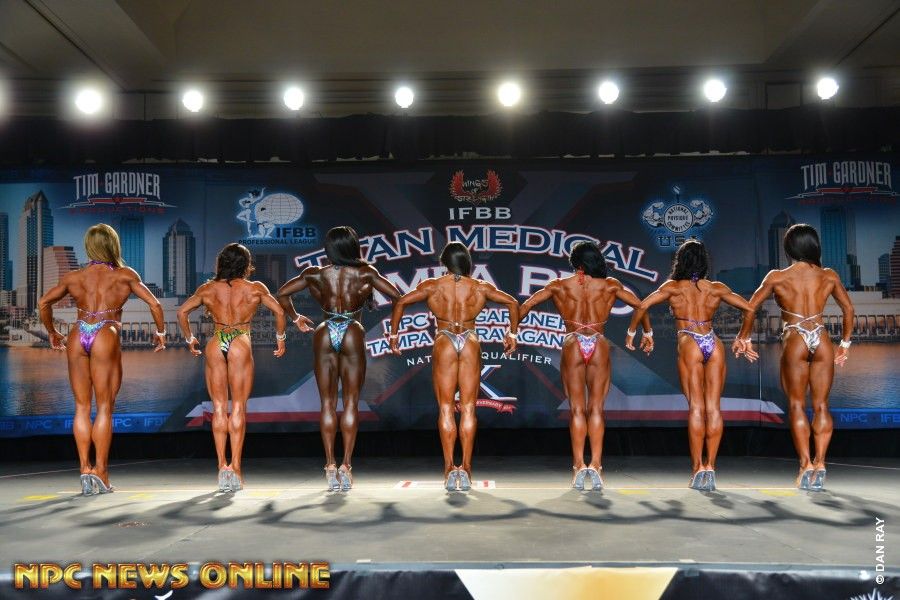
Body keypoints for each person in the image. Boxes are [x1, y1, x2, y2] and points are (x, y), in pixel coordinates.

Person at [38, 223, 167, 496]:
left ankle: (84, 470)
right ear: (113, 246)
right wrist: (160, 333)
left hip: (78, 333)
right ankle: (101, 472)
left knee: (81, 407)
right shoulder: (125, 275)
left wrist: (51, 331)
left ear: (89, 247)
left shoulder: (74, 277)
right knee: (105, 407)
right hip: (106, 332)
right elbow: (155, 304)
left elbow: (43, 303)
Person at [519, 241, 653, 491]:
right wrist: (646, 333)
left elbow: (525, 306)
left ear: (576, 263)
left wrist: (512, 333)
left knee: (577, 410)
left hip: (573, 343)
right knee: (597, 409)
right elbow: (641, 305)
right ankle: (597, 466)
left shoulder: (559, 285)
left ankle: (579, 466)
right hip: (598, 342)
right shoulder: (610, 285)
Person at [277, 226, 401, 491]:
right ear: (353, 247)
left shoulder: (315, 274)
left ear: (329, 249)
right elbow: (397, 297)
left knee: (327, 403)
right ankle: (346, 465)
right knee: (351, 402)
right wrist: (393, 332)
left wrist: (295, 318)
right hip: (352, 330)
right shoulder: (365, 272)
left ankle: (330, 465)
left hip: (325, 330)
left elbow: (283, 294)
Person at [388, 242, 519, 491]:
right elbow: (512, 303)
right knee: (468, 408)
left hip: (444, 339)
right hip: (469, 339)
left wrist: (394, 336)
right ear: (466, 262)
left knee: (446, 408)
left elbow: (402, 302)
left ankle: (449, 468)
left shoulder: (433, 286)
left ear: (444, 263)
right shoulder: (479, 287)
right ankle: (466, 469)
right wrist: (512, 334)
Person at [625, 239, 754, 491]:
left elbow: (642, 305)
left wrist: (636, 333)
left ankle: (697, 470)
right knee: (713, 408)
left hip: (689, 342)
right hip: (713, 342)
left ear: (680, 262)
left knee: (696, 407)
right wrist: (743, 337)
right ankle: (710, 467)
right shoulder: (716, 288)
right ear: (704, 262)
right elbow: (749, 309)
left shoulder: (673, 287)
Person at [733, 224, 853, 491]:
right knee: (821, 406)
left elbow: (751, 308)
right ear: (814, 246)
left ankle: (806, 466)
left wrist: (744, 337)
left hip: (795, 338)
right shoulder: (829, 275)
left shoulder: (777, 276)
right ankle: (821, 464)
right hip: (821, 338)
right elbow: (848, 309)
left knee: (797, 405)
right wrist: (845, 344)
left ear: (788, 249)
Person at [177, 243, 287, 492]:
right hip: (240, 340)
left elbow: (182, 312)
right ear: (246, 264)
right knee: (238, 407)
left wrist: (189, 338)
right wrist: (280, 339)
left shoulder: (207, 289)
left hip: (217, 341)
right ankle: (236, 468)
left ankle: (222, 468)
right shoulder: (255, 288)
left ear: (221, 263)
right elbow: (280, 313)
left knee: (218, 408)